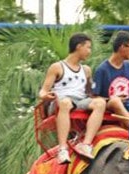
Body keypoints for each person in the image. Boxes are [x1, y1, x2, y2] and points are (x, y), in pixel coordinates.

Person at [39, 32, 106, 164]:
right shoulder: (57, 67)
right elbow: (43, 90)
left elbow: (90, 92)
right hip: (61, 101)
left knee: (100, 103)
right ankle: (62, 149)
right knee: (66, 103)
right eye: (88, 47)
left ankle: (86, 144)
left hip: (80, 101)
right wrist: (45, 95)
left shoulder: (86, 70)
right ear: (79, 46)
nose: (90, 51)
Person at [92, 30, 129, 129]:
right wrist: (112, 99)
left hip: (128, 104)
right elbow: (94, 97)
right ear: (122, 46)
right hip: (110, 105)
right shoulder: (102, 70)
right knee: (115, 101)